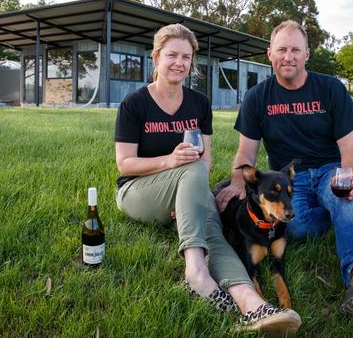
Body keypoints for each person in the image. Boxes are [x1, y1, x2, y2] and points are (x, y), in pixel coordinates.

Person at [215, 20, 353, 318]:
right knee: (294, 226)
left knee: (345, 198)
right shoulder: (258, 97)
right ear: (269, 53)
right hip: (289, 179)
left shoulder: (330, 88)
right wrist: (236, 182)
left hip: (329, 170)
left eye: (296, 49)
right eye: (282, 49)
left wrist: (352, 176)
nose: (288, 56)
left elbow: (350, 147)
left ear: (307, 54)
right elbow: (246, 150)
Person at [114, 23, 301, 335]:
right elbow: (125, 165)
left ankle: (252, 304)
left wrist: (191, 193)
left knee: (211, 226)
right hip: (139, 191)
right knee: (191, 169)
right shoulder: (135, 103)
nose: (179, 63)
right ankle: (196, 270)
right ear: (156, 58)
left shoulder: (199, 103)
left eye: (186, 57)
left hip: (186, 188)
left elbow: (207, 157)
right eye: (172, 55)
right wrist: (170, 160)